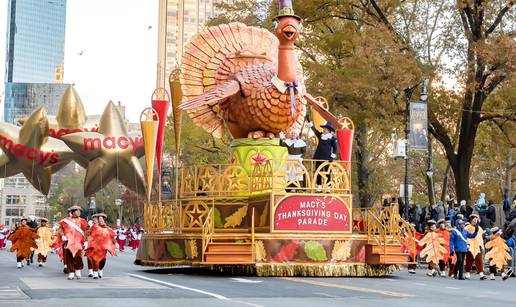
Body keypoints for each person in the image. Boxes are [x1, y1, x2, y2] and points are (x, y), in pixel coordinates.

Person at [58, 205, 89, 280]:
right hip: (68, 242)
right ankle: (71, 272)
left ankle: (78, 269)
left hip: (78, 242)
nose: (79, 212)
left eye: (79, 211)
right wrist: (62, 235)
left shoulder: (83, 221)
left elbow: (87, 231)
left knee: (78, 256)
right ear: (73, 212)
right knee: (68, 257)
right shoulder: (65, 221)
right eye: (77, 211)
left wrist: (86, 240)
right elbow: (60, 228)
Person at [307, 121, 338, 191]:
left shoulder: (332, 138)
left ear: (329, 130)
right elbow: (315, 131)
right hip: (318, 157)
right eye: (324, 129)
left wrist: (332, 157)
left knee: (328, 172)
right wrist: (311, 125)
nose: (324, 130)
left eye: (326, 129)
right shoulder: (320, 135)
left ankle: (328, 187)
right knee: (318, 171)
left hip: (327, 158)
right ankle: (319, 187)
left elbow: (335, 148)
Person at [85, 213, 117, 279]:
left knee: (103, 260)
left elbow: (112, 237)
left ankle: (100, 269)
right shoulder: (94, 227)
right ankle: (95, 272)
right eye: (99, 220)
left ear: (104, 220)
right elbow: (88, 233)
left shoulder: (108, 229)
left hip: (103, 248)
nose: (100, 221)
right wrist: (86, 241)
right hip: (95, 247)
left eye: (101, 220)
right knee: (94, 259)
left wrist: (116, 243)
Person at [464, 214, 487, 280]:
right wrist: (466, 244)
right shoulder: (467, 227)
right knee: (469, 259)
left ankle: (481, 274)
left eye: (476, 220)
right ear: (471, 220)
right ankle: (467, 273)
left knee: (479, 259)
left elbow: (482, 236)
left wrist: (482, 245)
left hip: (477, 246)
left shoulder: (479, 228)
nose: (475, 221)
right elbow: (464, 236)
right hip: (470, 245)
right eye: (474, 220)